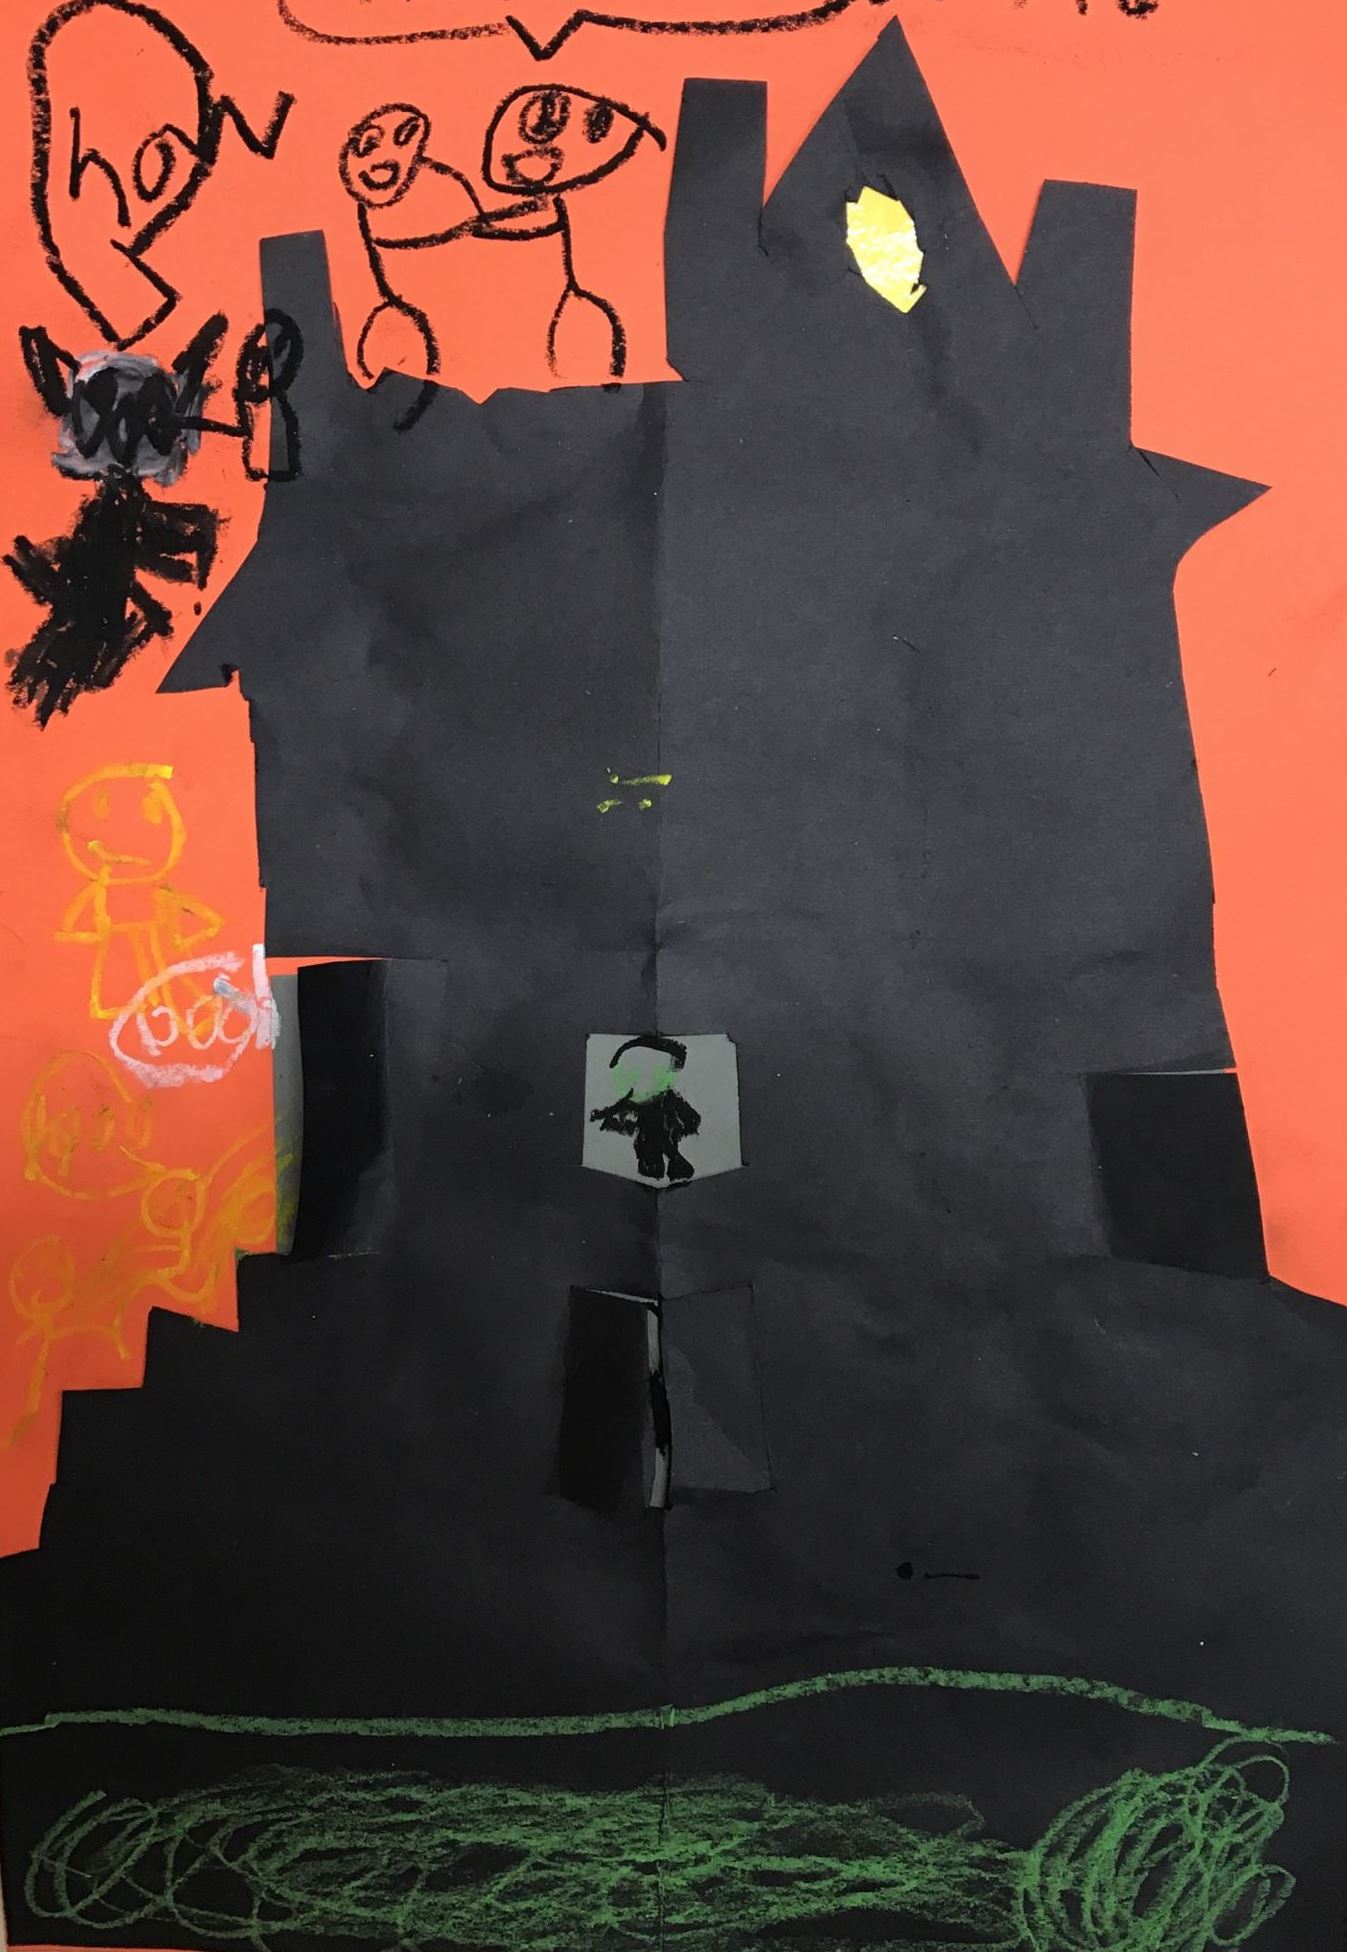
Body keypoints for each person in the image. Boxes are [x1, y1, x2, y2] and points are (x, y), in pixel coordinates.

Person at [590, 1035, 701, 1183]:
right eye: (630, 1070)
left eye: (653, 1070)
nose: (637, 1078)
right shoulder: (610, 1121)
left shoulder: (686, 1118)